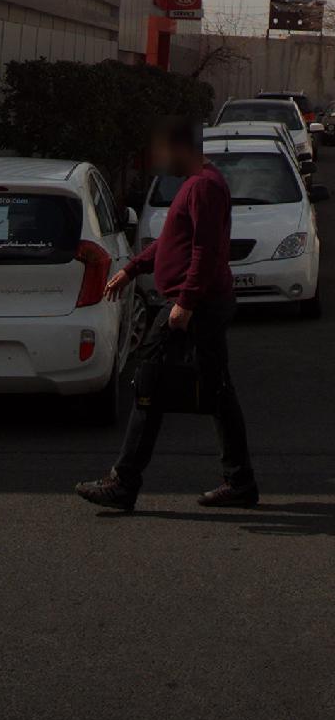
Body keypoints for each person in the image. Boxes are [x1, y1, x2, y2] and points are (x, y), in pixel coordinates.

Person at [76, 112, 258, 515]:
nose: (160, 159)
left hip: (197, 305)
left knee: (149, 385)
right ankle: (240, 481)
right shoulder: (194, 184)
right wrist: (132, 268)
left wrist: (185, 304)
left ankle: (123, 482)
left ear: (183, 148)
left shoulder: (204, 187)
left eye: (164, 150)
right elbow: (173, 241)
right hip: (199, 303)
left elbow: (205, 251)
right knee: (215, 392)